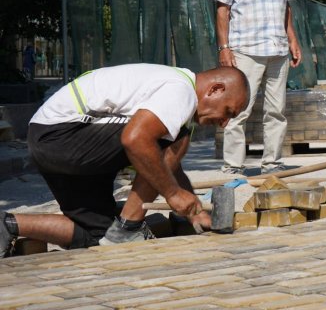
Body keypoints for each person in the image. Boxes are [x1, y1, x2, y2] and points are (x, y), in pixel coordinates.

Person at [0, 64, 249, 257]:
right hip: (61, 133)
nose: (224, 122)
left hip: (51, 142)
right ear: (215, 89)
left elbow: (167, 166)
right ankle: (130, 228)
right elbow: (136, 139)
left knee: (98, 234)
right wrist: (173, 194)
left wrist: (194, 212)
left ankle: (9, 224)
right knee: (170, 138)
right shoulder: (181, 89)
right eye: (228, 111)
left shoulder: (174, 92)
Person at [211, 0, 302, 175]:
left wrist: (293, 41)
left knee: (276, 112)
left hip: (277, 50)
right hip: (245, 52)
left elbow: (286, 7)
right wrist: (224, 48)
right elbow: (222, 9)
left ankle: (272, 163)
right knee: (238, 111)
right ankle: (233, 167)